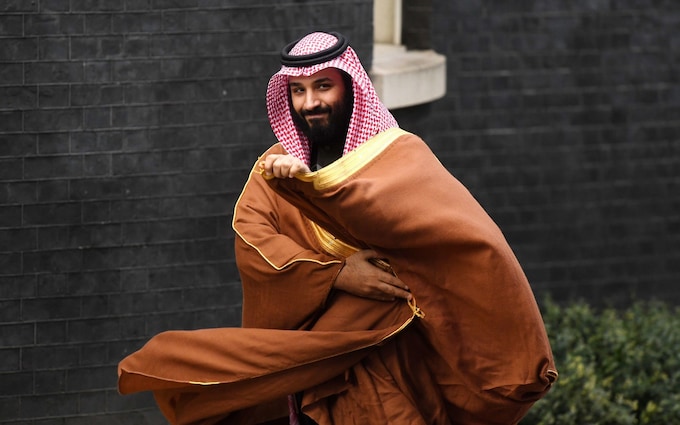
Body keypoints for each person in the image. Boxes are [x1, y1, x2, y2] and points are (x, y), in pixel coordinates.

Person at [118, 31, 557, 425]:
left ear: (350, 87)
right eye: (298, 91)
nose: (311, 102)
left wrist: (315, 191)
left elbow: (454, 238)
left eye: (323, 86)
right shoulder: (274, 169)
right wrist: (338, 274)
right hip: (318, 367)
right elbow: (254, 239)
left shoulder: (400, 156)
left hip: (398, 357)